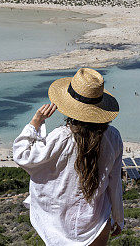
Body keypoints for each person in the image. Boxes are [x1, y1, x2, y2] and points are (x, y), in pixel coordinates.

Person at [13, 67, 124, 246]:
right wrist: (118, 218)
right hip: (97, 224)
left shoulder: (62, 137)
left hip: (59, 226)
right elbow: (115, 182)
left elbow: (23, 156)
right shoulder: (113, 137)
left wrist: (35, 123)